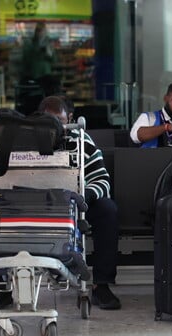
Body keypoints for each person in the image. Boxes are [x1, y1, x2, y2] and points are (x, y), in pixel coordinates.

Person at [38, 96, 121, 310]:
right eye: (50, 121)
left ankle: (101, 286)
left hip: (77, 204)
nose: (56, 127)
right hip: (39, 206)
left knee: (107, 211)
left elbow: (102, 180)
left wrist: (85, 197)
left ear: (70, 119)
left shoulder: (82, 140)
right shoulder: (27, 140)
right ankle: (4, 288)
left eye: (60, 121)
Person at [21, 22, 60, 96]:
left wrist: (49, 53)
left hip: (46, 73)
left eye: (43, 31)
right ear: (36, 32)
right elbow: (26, 60)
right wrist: (36, 49)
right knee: (50, 85)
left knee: (54, 84)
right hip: (34, 74)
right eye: (39, 31)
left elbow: (54, 60)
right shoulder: (30, 43)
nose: (41, 33)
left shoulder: (48, 43)